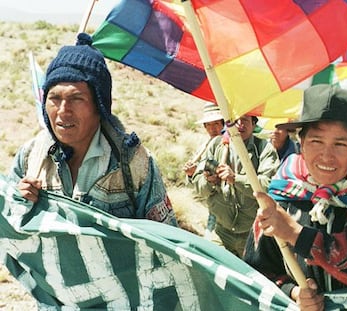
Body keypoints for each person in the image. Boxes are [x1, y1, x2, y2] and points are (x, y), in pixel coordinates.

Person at [243, 84, 347, 310]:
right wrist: (293, 292)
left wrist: (296, 234)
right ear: (301, 143)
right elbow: (255, 270)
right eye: (316, 141)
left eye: (340, 144)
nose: (327, 156)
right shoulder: (284, 192)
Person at [8, 33, 177, 225]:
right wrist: (18, 201)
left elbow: (166, 239)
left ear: (100, 105)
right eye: (54, 98)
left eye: (76, 99)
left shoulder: (134, 163)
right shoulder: (30, 157)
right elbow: (8, 232)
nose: (63, 110)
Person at [191, 114, 279, 257]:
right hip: (220, 231)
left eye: (245, 120)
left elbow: (267, 187)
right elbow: (199, 189)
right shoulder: (216, 145)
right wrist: (210, 181)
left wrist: (236, 179)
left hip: (252, 234)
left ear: (254, 124)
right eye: (234, 120)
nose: (239, 125)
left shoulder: (264, 149)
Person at [183, 102, 224, 239]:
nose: (212, 129)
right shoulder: (204, 147)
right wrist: (191, 174)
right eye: (209, 125)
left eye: (216, 124)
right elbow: (194, 187)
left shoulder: (229, 145)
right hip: (214, 208)